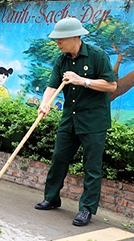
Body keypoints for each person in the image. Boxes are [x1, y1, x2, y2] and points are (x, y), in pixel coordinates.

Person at [34, 17, 117, 227]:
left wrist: (83, 81)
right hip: (69, 119)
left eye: (61, 39)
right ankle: (51, 198)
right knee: (59, 158)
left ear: (74, 37)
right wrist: (45, 104)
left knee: (91, 167)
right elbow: (52, 86)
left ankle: (86, 209)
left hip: (93, 121)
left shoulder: (97, 56)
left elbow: (111, 86)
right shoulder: (61, 60)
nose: (57, 43)